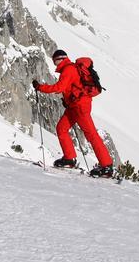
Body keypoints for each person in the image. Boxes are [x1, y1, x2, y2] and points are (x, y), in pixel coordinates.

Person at [33, 49, 114, 178]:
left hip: (80, 107)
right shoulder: (69, 69)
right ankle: (69, 158)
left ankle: (106, 166)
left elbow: (59, 87)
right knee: (61, 128)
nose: (55, 64)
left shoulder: (68, 70)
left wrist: (40, 87)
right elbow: (71, 87)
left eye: (55, 61)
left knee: (91, 134)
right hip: (74, 106)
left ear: (59, 59)